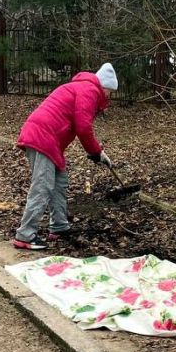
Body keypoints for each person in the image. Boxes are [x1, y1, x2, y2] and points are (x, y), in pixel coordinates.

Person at [12, 63, 118, 250]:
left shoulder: (83, 87)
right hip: (42, 137)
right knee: (43, 186)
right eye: (110, 92)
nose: (109, 97)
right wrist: (96, 152)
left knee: (59, 182)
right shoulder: (89, 90)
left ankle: (59, 227)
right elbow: (83, 127)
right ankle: (25, 235)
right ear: (105, 87)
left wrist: (97, 152)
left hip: (49, 140)